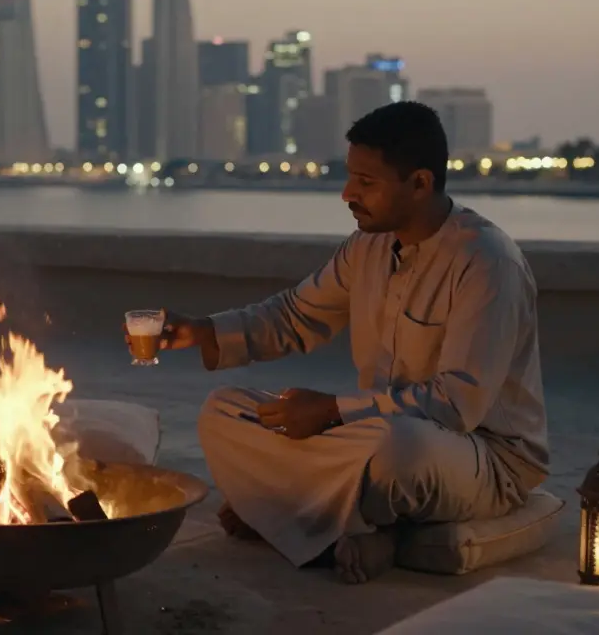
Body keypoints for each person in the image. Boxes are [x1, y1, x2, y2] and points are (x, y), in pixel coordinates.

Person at [147, 101, 548, 584]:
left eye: (366, 183)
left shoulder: (486, 262)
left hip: (481, 454)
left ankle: (295, 517)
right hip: (371, 432)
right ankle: (334, 522)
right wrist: (203, 331)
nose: (347, 194)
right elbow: (296, 315)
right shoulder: (369, 246)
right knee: (223, 414)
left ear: (420, 183)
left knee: (397, 446)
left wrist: (333, 411)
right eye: (350, 177)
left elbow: (457, 404)